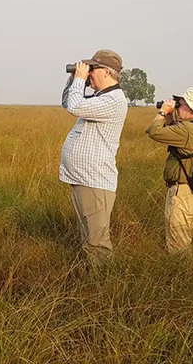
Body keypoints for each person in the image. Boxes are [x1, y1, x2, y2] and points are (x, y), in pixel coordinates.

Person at [60, 49, 128, 263]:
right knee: (88, 240)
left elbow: (75, 105)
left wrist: (80, 79)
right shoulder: (101, 98)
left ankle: (104, 288)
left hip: (95, 181)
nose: (88, 73)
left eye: (93, 69)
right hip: (84, 179)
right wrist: (74, 80)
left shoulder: (114, 100)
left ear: (107, 72)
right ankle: (92, 280)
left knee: (97, 243)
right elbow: (67, 102)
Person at [146, 88, 193, 253]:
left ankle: (182, 273)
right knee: (192, 235)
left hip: (182, 191)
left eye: (180, 104)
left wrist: (162, 112)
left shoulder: (186, 130)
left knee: (178, 241)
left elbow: (154, 132)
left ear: (190, 108)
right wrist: (170, 116)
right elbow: (171, 132)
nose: (177, 107)